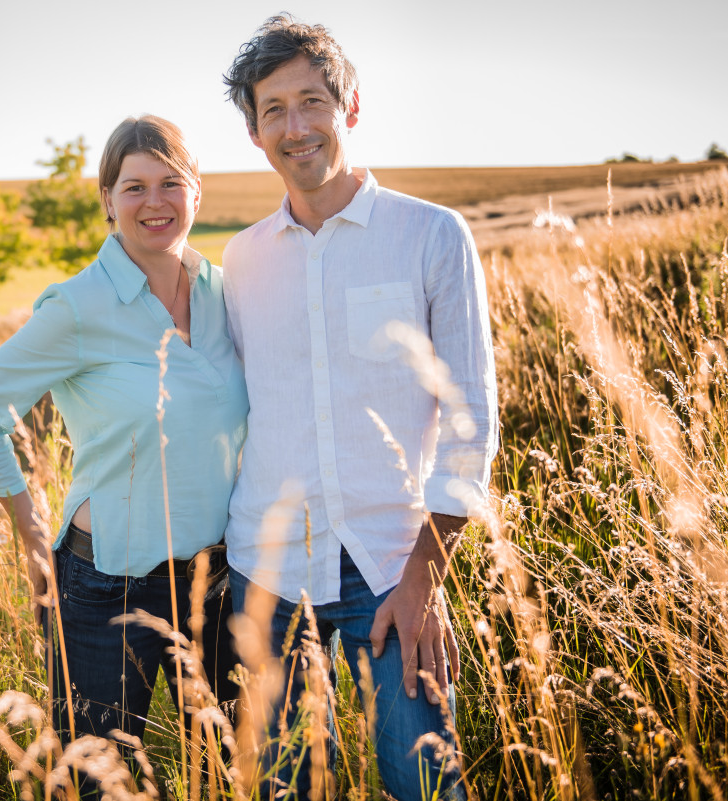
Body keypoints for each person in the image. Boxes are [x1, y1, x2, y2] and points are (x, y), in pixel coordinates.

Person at [221, 15, 497, 801]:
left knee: (423, 785)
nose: (295, 126)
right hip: (264, 574)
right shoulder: (241, 260)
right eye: (273, 109)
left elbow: (472, 417)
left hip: (389, 565)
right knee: (281, 790)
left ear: (349, 108)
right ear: (253, 132)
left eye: (311, 101)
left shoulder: (431, 235)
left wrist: (424, 576)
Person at [0, 116, 249, 754]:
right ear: (107, 202)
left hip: (217, 579)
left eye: (171, 182)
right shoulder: (79, 308)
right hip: (106, 585)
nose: (155, 202)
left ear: (197, 192)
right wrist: (31, 538)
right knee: (97, 777)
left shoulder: (225, 293)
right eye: (133, 187)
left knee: (235, 768)